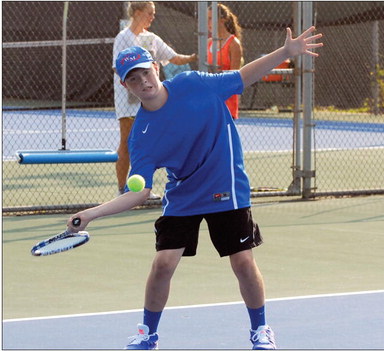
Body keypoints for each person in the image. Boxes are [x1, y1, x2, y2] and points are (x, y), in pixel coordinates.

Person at [70, 26, 323, 350]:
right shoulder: (142, 134)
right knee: (163, 264)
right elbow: (140, 190)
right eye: (133, 78)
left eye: (145, 72)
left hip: (224, 184)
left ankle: (260, 330)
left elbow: (241, 77)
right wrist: (90, 214)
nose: (143, 82)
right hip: (184, 193)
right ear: (125, 85)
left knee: (243, 262)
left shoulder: (193, 84)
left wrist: (286, 53)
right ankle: (147, 335)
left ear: (156, 68)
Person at [113, 1, 197, 197]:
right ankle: (121, 190)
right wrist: (135, 85)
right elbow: (118, 69)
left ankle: (143, 187)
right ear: (138, 12)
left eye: (153, 13)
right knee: (127, 141)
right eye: (149, 13)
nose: (152, 17)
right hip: (128, 100)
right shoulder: (123, 38)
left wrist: (195, 56)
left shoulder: (151, 38)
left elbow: (175, 58)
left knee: (146, 142)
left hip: (149, 100)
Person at [207, 3, 243, 119]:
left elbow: (234, 76)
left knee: (225, 135)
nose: (208, 23)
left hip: (226, 99)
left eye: (211, 18)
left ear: (223, 19)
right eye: (207, 19)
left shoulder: (233, 44)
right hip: (209, 98)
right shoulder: (208, 43)